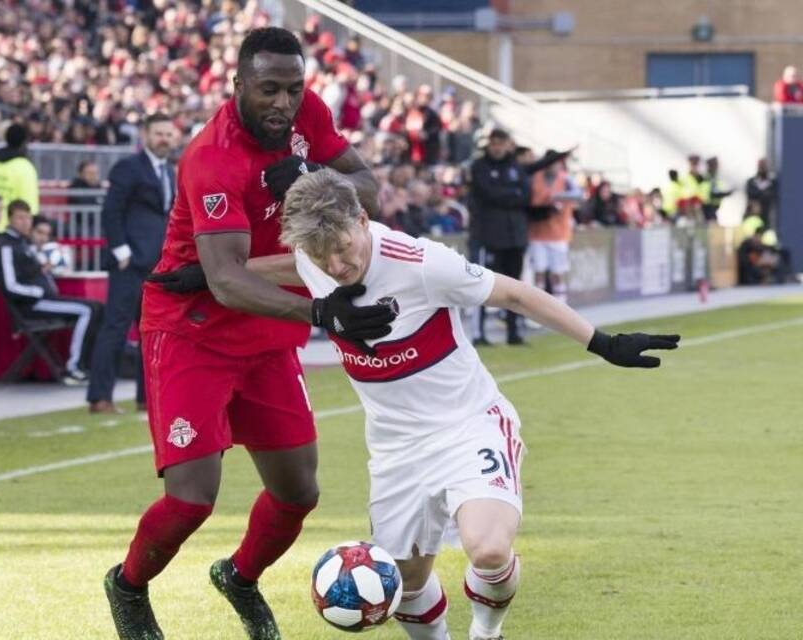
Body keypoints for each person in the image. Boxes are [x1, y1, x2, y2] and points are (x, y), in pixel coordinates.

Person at [270, 168, 678, 640]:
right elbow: (284, 266)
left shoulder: (421, 263)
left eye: (343, 248)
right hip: (395, 450)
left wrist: (602, 342)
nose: (336, 266)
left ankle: (486, 632)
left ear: (362, 220)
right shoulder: (310, 255)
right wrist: (214, 273)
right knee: (404, 584)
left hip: (468, 424)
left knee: (487, 549)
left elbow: (515, 294)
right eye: (324, 257)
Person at [103, 27, 393, 640]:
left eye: (293, 88)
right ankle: (128, 586)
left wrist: (316, 176)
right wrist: (324, 314)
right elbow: (228, 280)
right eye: (268, 90)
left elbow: (369, 188)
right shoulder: (212, 158)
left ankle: (239, 576)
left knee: (298, 494)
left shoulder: (306, 115)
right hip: (193, 331)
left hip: (267, 334)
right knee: (191, 499)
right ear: (237, 84)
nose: (283, 103)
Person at [87, 114, 180, 415]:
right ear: (145, 135)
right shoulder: (128, 167)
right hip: (129, 264)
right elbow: (111, 211)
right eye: (159, 133)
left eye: (168, 133)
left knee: (152, 334)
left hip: (157, 267)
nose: (164, 138)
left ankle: (146, 397)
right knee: (114, 328)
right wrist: (121, 251)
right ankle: (100, 397)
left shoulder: (169, 171)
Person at [0, 200, 101, 383]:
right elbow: (9, 285)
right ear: (10, 219)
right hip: (32, 305)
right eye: (20, 218)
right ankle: (75, 368)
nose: (25, 222)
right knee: (89, 310)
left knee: (97, 307)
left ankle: (88, 365)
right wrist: (38, 291)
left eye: (28, 218)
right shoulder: (7, 246)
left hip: (44, 299)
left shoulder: (22, 243)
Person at [467, 128, 530, 345]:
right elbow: (488, 193)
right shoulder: (479, 167)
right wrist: (511, 194)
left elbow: (526, 195)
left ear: (507, 144)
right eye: (494, 143)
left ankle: (513, 332)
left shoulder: (515, 167)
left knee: (515, 287)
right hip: (488, 236)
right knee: (482, 286)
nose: (497, 147)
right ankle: (478, 333)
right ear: (489, 144)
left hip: (515, 236)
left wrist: (507, 194)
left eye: (501, 143)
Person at [527, 149, 583, 304]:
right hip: (537, 233)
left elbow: (579, 194)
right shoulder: (535, 178)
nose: (554, 167)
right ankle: (536, 306)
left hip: (559, 234)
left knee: (557, 272)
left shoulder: (565, 179)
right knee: (538, 271)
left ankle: (560, 304)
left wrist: (558, 197)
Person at [745, 158, 777, 227]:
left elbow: (771, 195)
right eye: (760, 165)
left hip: (766, 217)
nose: (762, 168)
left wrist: (759, 194)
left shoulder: (772, 183)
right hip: (753, 218)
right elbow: (750, 194)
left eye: (764, 165)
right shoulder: (751, 182)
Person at [700, 157, 733, 222]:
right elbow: (713, 193)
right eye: (715, 165)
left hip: (712, 208)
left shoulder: (712, 178)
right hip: (707, 208)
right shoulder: (708, 178)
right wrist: (727, 193)